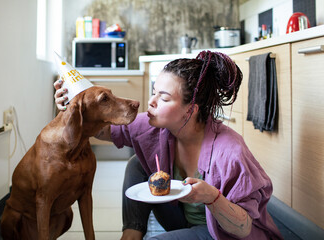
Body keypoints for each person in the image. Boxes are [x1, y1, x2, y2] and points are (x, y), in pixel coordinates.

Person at [54, 50, 283, 240]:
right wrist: (70, 107)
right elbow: (101, 130)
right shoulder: (152, 125)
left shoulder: (230, 152)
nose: (150, 102)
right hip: (179, 219)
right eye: (154, 92)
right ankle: (132, 233)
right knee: (137, 165)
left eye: (163, 98)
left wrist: (212, 197)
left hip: (221, 234)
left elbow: (243, 228)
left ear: (190, 110)